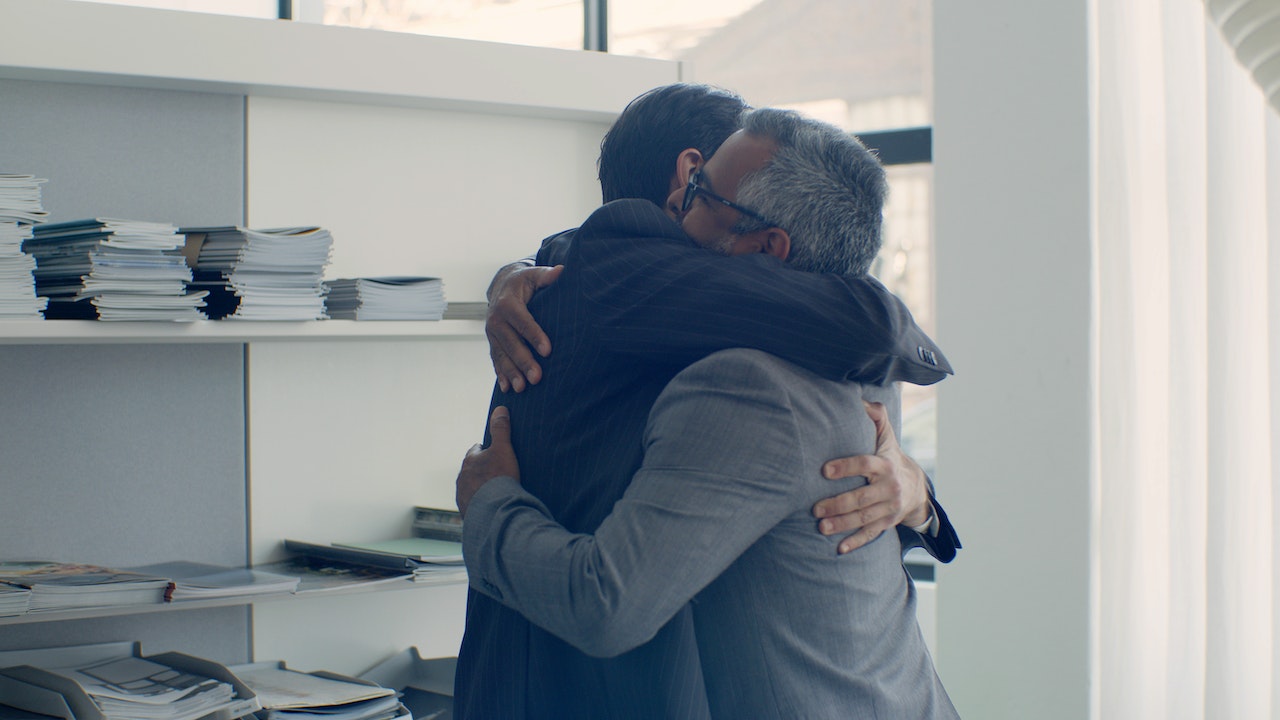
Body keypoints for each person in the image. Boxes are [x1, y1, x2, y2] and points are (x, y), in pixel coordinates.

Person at [453, 85, 958, 720]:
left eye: (701, 191)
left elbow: (844, 545)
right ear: (684, 163)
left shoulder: (770, 364)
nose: (679, 199)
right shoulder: (821, 342)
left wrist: (917, 497)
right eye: (694, 183)